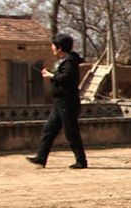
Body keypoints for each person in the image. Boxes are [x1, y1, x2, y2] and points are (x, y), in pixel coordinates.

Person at [25, 33, 88, 170]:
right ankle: (41, 157)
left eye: (53, 45)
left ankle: (81, 161)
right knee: (49, 130)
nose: (52, 47)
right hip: (60, 102)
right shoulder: (64, 61)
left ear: (59, 48)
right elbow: (61, 76)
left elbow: (66, 78)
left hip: (67, 101)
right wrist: (51, 74)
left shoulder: (70, 61)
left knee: (71, 132)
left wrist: (50, 75)